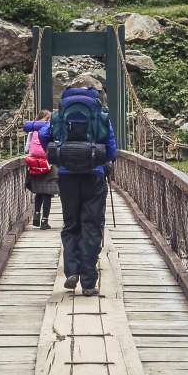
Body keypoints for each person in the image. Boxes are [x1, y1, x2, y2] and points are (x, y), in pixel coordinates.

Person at [40, 79, 116, 296]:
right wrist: (99, 158)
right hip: (94, 175)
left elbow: (43, 136)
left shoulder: (59, 115)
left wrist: (60, 153)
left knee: (71, 224)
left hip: (67, 177)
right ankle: (89, 283)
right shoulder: (99, 115)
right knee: (91, 226)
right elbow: (111, 150)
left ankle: (72, 270)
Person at [23, 110, 56, 228]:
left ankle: (36, 216)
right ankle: (44, 221)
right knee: (47, 193)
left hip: (34, 165)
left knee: (39, 192)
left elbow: (27, 149)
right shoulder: (50, 130)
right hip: (48, 165)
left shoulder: (32, 131)